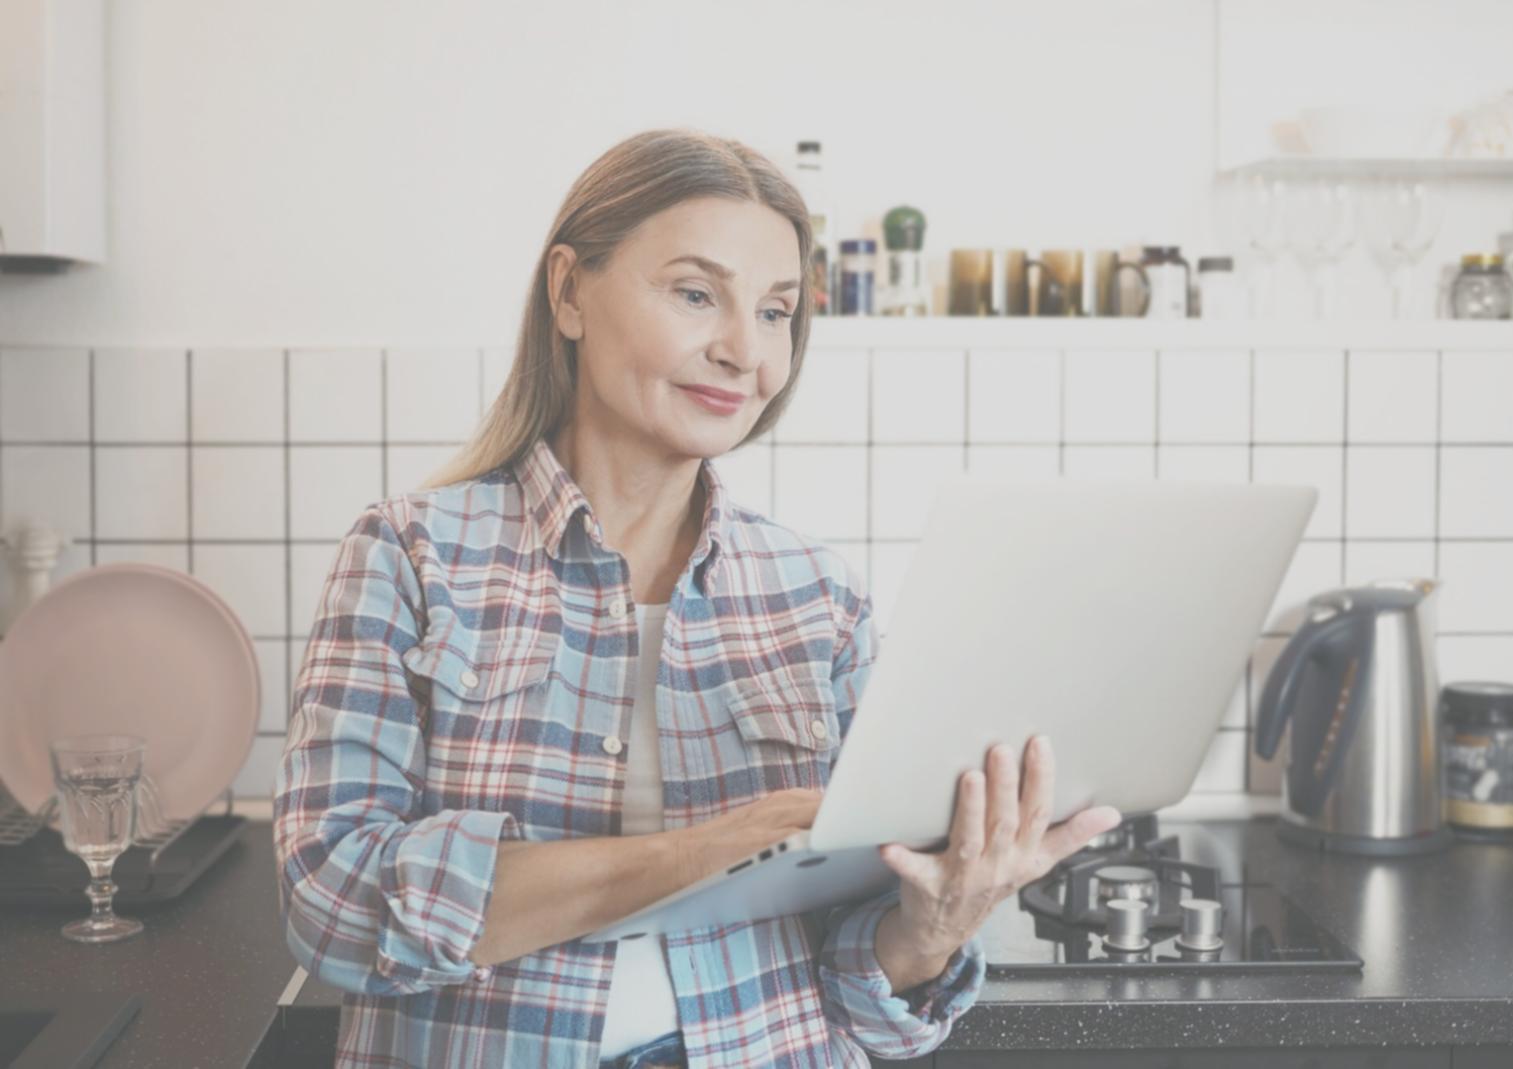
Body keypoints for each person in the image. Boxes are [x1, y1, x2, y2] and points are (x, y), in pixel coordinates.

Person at [273, 128, 1122, 1069]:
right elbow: (333, 906)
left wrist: (933, 928)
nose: (744, 351)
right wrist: (703, 851)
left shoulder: (819, 596)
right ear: (569, 292)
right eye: (695, 294)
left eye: (775, 312)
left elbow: (860, 987)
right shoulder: (412, 554)